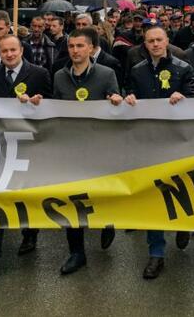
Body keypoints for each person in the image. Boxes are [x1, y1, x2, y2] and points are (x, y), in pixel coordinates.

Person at [0, 35, 52, 278]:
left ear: (21, 50)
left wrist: (39, 102)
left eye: (13, 50)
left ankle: (30, 234)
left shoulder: (39, 73)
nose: (9, 54)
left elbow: (53, 105)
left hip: (31, 144)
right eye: (4, 51)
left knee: (27, 194)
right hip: (3, 144)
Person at [124, 25, 194, 279]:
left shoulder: (183, 68)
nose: (155, 44)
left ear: (167, 41)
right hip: (149, 143)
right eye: (150, 41)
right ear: (145, 44)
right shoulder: (137, 70)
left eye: (159, 40)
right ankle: (156, 253)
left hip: (177, 142)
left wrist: (185, 97)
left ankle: (182, 224)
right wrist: (129, 98)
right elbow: (128, 94)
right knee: (152, 198)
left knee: (178, 190)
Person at [48, 28, 122, 275]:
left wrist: (116, 101)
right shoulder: (59, 75)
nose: (75, 51)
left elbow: (116, 105)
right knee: (73, 200)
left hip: (99, 147)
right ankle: (76, 253)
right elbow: (54, 107)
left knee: (98, 194)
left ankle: (107, 222)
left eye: (80, 46)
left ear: (91, 49)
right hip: (70, 148)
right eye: (71, 46)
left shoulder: (106, 73)